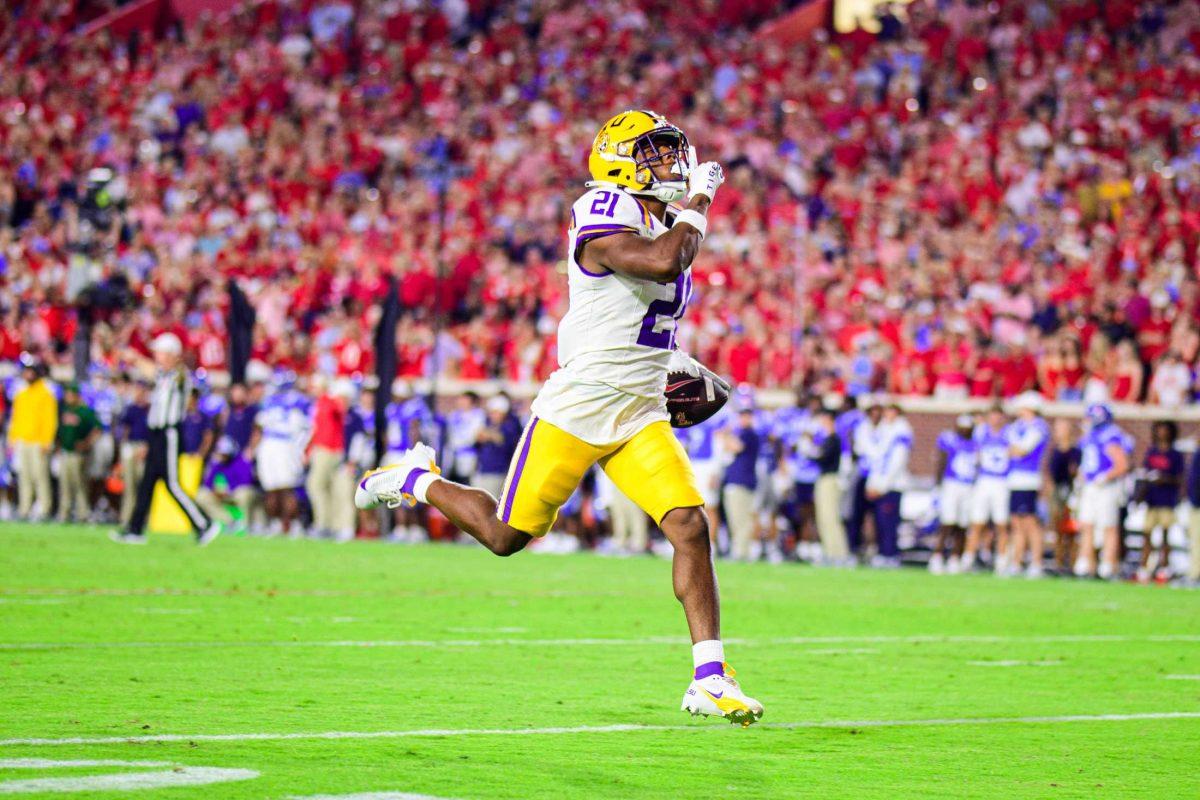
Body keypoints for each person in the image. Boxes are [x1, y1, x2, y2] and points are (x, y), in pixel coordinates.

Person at [354, 110, 762, 724]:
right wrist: (700, 199)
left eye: (671, 153)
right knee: (504, 538)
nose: (671, 165)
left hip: (640, 407)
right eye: (654, 153)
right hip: (581, 404)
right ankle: (417, 479)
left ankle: (709, 675)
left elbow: (644, 307)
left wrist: (678, 364)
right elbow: (660, 263)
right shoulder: (601, 209)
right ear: (619, 160)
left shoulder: (659, 219)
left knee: (689, 525)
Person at [110, 333, 220, 545]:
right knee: (147, 483)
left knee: (172, 484)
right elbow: (151, 370)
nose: (157, 356)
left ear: (171, 355)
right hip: (157, 434)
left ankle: (204, 524)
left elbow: (159, 372)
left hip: (169, 433)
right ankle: (135, 529)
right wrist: (133, 357)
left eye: (160, 352)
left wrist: (136, 357)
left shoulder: (178, 376)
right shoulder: (165, 375)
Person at [1075, 403, 1133, 579]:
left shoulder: (1110, 435)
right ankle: (1087, 563)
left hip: (1106, 487)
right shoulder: (1091, 435)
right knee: (1087, 524)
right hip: (1091, 486)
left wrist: (1104, 476)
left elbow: (1122, 465)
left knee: (1108, 526)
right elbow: (1086, 462)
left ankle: (1108, 564)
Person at [250, 373, 312, 537]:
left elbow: (259, 426)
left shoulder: (271, 400)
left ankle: (286, 523)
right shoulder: (296, 400)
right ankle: (284, 524)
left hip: (277, 444)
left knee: (280, 489)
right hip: (282, 444)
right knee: (281, 488)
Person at [1006, 392, 1050, 578]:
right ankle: (1016, 561)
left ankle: (1036, 563)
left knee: (1031, 523)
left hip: (1029, 479)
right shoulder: (1018, 427)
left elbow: (1020, 450)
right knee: (1016, 523)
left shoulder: (1038, 427)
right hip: (1015, 479)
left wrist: (1011, 450)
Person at [7, 359, 57, 521]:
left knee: (40, 476)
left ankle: (44, 509)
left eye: (30, 371)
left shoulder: (45, 393)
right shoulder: (21, 394)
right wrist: (12, 439)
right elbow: (16, 418)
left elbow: (50, 420)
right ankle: (24, 509)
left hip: (38, 442)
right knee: (24, 477)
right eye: (26, 371)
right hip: (22, 440)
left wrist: (47, 441)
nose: (27, 374)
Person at [965, 405, 1011, 572]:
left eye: (998, 416)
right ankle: (968, 558)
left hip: (1001, 481)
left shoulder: (1009, 433)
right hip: (984, 480)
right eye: (992, 416)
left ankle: (1002, 560)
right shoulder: (981, 431)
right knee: (977, 522)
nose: (995, 419)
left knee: (1001, 523)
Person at [865, 403, 911, 568]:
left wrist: (882, 486)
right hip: (878, 484)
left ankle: (890, 553)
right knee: (879, 521)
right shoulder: (883, 431)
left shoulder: (901, 432)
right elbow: (875, 459)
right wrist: (872, 484)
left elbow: (896, 462)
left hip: (892, 485)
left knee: (889, 522)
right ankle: (882, 552)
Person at [306, 377, 352, 540]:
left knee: (315, 485)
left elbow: (340, 411)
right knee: (329, 488)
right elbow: (316, 430)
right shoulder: (320, 404)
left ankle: (322, 524)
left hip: (328, 449)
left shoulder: (329, 402)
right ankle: (331, 525)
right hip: (323, 449)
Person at [1138, 421, 1183, 584]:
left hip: (1166, 500)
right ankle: (1144, 568)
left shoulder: (1175, 455)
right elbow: (1144, 474)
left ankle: (1164, 568)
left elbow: (1179, 478)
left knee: (1165, 536)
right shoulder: (1151, 452)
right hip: (1152, 499)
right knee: (1147, 535)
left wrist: (1164, 479)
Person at [931, 415, 977, 575]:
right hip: (951, 484)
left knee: (962, 524)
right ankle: (937, 556)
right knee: (947, 521)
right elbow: (941, 462)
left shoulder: (976, 444)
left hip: (968, 486)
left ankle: (955, 557)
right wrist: (938, 484)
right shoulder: (950, 440)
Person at [720, 399, 762, 562]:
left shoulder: (750, 434)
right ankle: (738, 549)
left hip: (743, 481)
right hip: (735, 479)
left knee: (742, 519)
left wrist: (726, 434)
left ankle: (741, 551)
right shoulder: (741, 433)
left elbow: (736, 447)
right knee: (735, 518)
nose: (744, 419)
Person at [55, 382, 100, 523]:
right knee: (65, 484)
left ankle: (83, 513)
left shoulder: (85, 411)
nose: (68, 397)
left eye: (70, 395)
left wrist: (87, 443)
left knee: (79, 483)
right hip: (65, 451)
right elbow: (60, 431)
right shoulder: (65, 410)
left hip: (78, 454)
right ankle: (64, 513)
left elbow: (97, 429)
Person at [195, 437, 257, 531]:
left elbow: (246, 482)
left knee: (243, 494)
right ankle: (229, 521)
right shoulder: (216, 464)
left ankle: (245, 525)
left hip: (236, 493)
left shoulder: (240, 462)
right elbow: (208, 483)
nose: (222, 456)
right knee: (201, 495)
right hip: (222, 494)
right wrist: (216, 491)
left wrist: (228, 491)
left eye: (225, 454)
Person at [811, 408, 848, 565]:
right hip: (824, 479)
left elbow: (823, 458)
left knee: (831, 517)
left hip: (830, 479)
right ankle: (829, 552)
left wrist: (810, 451)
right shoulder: (828, 439)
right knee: (823, 518)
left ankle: (839, 553)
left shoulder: (834, 439)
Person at [1047, 419, 1081, 573]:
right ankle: (1058, 562)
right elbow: (1050, 473)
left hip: (1072, 492)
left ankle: (1073, 563)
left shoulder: (1076, 451)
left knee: (1073, 530)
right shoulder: (1054, 451)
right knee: (1058, 529)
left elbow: (1077, 473)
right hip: (1057, 491)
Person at [115, 377, 150, 524]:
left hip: (145, 448)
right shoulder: (130, 409)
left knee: (143, 486)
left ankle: (143, 519)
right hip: (131, 446)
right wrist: (122, 452)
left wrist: (147, 447)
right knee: (129, 486)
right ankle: (126, 518)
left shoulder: (150, 409)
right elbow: (125, 431)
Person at [472, 395, 521, 500]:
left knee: (492, 502)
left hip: (498, 471)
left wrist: (489, 435)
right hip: (482, 469)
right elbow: (477, 439)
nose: (493, 415)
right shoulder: (488, 423)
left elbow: (503, 439)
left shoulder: (511, 425)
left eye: (496, 412)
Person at [1186, 447, 1200, 588]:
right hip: (1197, 504)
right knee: (1196, 540)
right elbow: (1193, 479)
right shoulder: (1198, 453)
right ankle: (1195, 574)